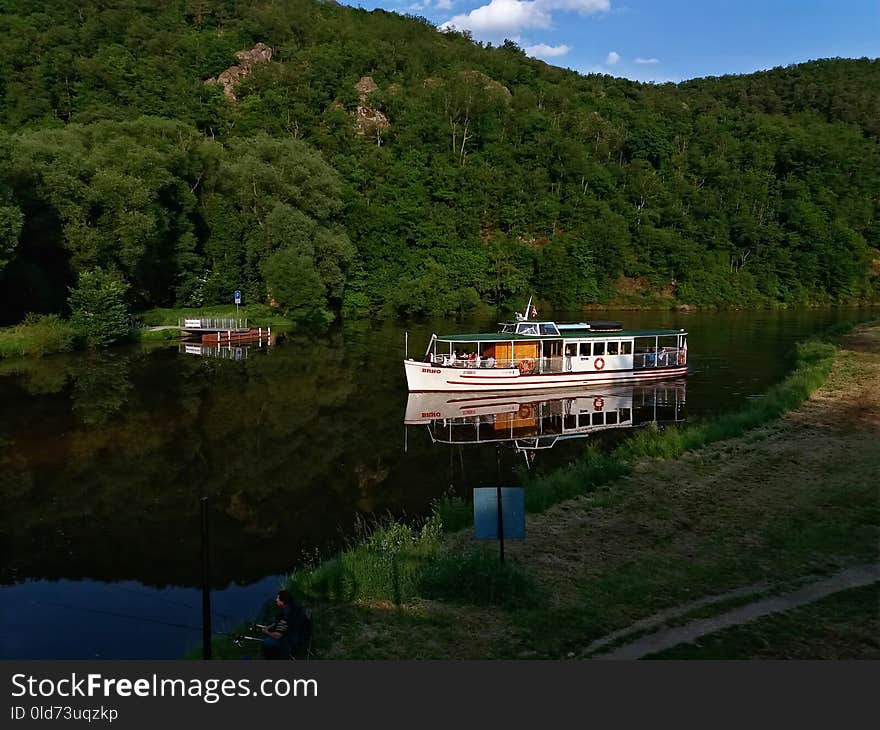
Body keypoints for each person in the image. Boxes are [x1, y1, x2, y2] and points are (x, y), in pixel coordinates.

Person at [260, 590, 308, 659]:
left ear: (283, 602)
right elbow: (277, 622)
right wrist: (269, 626)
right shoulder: (295, 607)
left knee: (267, 642)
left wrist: (266, 632)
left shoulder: (286, 616)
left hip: (293, 641)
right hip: (303, 634)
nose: (276, 600)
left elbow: (278, 636)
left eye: (278, 598)